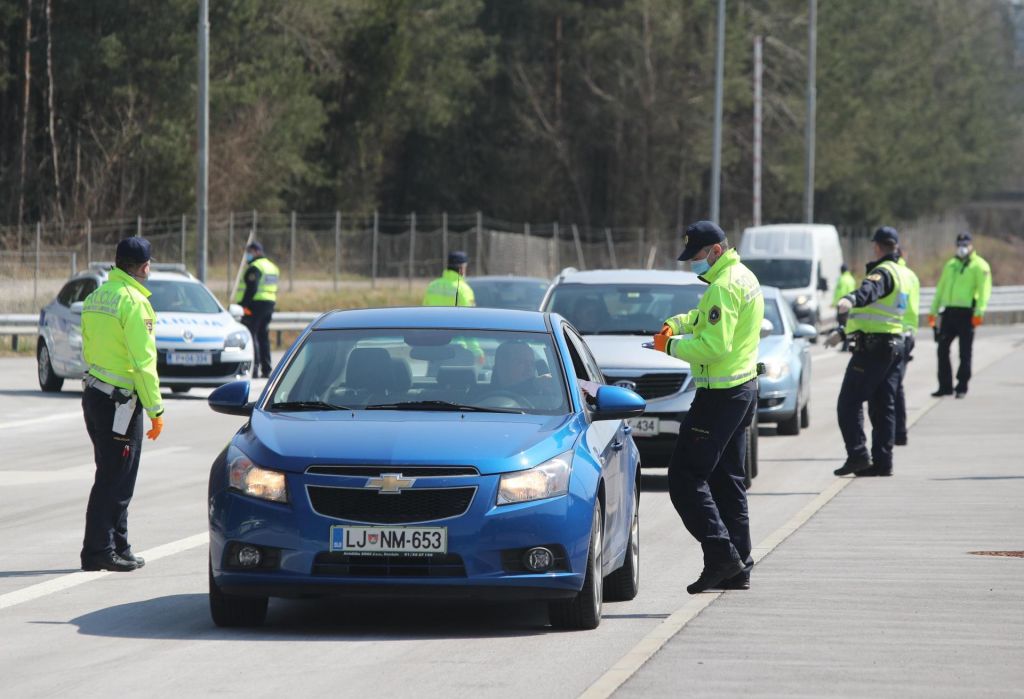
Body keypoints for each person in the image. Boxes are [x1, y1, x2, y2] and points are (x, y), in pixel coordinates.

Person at [654, 220, 764, 594]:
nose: (693, 262)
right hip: (741, 389)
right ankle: (740, 566)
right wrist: (676, 323)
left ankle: (721, 557)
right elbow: (705, 322)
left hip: (719, 393)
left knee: (685, 478)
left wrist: (667, 347)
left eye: (696, 255)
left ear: (715, 251)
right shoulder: (739, 277)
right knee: (727, 478)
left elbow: (713, 347)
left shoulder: (723, 286)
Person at [79, 237, 164, 572]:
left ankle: (119, 544)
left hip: (95, 394)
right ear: (142, 266)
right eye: (149, 263)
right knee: (116, 478)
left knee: (113, 472)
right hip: (120, 401)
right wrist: (156, 410)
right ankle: (97, 550)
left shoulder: (96, 296)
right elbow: (144, 363)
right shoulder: (135, 303)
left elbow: (87, 346)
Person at [825, 226, 911, 477]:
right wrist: (843, 332)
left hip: (873, 348)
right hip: (894, 345)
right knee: (883, 406)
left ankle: (858, 454)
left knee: (848, 403)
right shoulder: (903, 273)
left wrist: (851, 299)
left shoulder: (881, 272)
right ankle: (883, 462)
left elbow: (870, 292)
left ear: (877, 247)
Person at [929, 232, 992, 399]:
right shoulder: (950, 264)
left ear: (971, 245)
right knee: (942, 349)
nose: (962, 247)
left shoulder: (980, 266)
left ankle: (962, 385)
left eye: (965, 244)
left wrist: (979, 312)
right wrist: (933, 311)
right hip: (949, 312)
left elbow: (984, 291)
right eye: (959, 244)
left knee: (965, 352)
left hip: (967, 313)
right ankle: (945, 386)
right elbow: (941, 288)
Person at [234, 241, 279, 379]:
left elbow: (251, 289)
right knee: (263, 336)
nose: (247, 255)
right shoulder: (272, 267)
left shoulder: (255, 267)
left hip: (255, 304)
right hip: (269, 304)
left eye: (249, 252)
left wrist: (243, 306)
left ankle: (254, 368)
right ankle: (266, 369)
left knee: (252, 334)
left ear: (256, 252)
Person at [894, 252, 920, 446]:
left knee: (893, 386)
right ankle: (899, 433)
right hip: (907, 333)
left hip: (898, 333)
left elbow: (900, 307)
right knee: (896, 385)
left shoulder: (898, 274)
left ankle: (899, 432)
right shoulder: (909, 274)